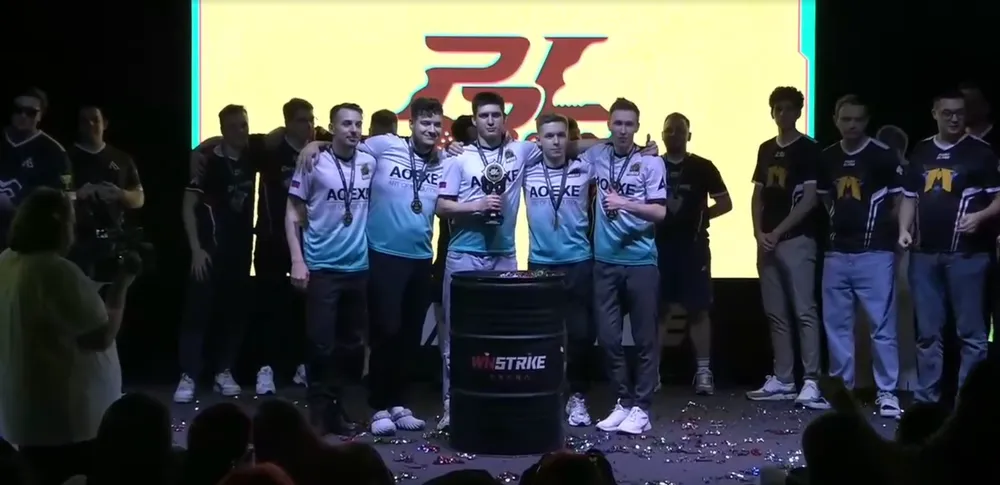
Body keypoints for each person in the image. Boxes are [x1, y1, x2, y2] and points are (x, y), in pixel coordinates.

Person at [296, 98, 448, 435]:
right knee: (385, 332)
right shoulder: (384, 145)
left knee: (410, 336)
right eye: (425, 123)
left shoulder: (443, 160)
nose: (431, 130)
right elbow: (345, 143)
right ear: (411, 124)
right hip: (382, 254)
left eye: (437, 125)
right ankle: (378, 404)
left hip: (420, 257)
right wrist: (315, 143)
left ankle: (399, 402)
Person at [0, 188, 136, 485]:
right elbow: (100, 336)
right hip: (67, 421)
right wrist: (122, 285)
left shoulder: (6, 261)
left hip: (28, 416)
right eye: (71, 221)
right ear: (59, 225)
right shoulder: (54, 270)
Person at [898, 90, 1000, 403]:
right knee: (928, 334)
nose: (954, 119)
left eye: (959, 113)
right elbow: (909, 197)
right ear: (935, 114)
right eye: (947, 113)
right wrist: (903, 228)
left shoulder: (980, 152)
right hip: (924, 255)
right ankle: (927, 402)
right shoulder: (922, 150)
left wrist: (980, 217)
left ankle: (969, 404)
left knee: (971, 335)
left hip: (968, 255)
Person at [286, 102, 375, 435]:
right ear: (332, 127)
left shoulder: (369, 161)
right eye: (346, 124)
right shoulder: (313, 161)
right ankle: (319, 414)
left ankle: (337, 411)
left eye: (358, 124)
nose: (353, 129)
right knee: (320, 345)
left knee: (350, 347)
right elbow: (293, 211)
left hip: (358, 267)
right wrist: (297, 259)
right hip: (322, 265)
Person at [582, 98, 667, 434]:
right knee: (608, 338)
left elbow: (659, 212)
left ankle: (642, 408)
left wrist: (624, 203)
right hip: (605, 261)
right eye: (617, 123)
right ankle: (623, 401)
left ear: (637, 127)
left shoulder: (651, 163)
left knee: (645, 340)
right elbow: (572, 146)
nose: (622, 130)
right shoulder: (598, 155)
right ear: (609, 125)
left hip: (641, 261)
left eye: (629, 124)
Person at [814, 95, 902, 417]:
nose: (852, 125)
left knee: (882, 327)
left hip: (875, 253)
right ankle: (843, 392)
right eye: (846, 119)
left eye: (858, 120)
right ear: (835, 120)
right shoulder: (827, 157)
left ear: (866, 122)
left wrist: (890, 236)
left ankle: (888, 392)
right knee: (837, 327)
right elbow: (826, 200)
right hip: (836, 254)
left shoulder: (882, 155)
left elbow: (898, 201)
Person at [175, 104, 257, 403]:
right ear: (222, 129)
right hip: (209, 251)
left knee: (233, 314)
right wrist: (196, 249)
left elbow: (279, 136)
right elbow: (188, 207)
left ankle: (224, 371)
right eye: (234, 126)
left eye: (244, 125)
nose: (241, 131)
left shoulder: (253, 155)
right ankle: (189, 375)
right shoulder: (207, 162)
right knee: (197, 315)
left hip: (240, 252)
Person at [747, 86, 823, 406]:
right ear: (772, 112)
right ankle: (783, 378)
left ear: (799, 112)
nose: (783, 114)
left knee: (804, 311)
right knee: (776, 313)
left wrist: (777, 232)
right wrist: (758, 233)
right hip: (767, 244)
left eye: (789, 108)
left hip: (797, 241)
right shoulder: (765, 148)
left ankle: (812, 380)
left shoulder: (809, 149)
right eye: (778, 109)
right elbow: (757, 195)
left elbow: (809, 200)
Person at [523, 114, 597, 426]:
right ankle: (545, 394)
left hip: (578, 261)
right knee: (542, 335)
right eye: (549, 136)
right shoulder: (525, 170)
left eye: (561, 135)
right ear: (538, 140)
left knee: (580, 334)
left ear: (569, 138)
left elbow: (607, 148)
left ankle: (577, 396)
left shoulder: (585, 167)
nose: (555, 141)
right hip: (541, 263)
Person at [655, 112, 731, 396]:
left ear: (689, 135)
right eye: (669, 130)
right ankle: (653, 372)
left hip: (693, 248)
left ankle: (703, 371)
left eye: (679, 130)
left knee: (698, 310)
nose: (673, 134)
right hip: (658, 248)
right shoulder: (653, 165)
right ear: (662, 135)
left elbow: (725, 203)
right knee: (657, 310)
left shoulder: (702, 167)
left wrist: (702, 217)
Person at [250, 98, 315, 395]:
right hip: (271, 240)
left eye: (311, 119)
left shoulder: (319, 150)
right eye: (302, 120)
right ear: (287, 122)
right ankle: (266, 368)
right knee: (270, 306)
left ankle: (303, 365)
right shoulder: (269, 150)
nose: (308, 125)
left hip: (308, 242)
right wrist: (198, 153)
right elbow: (226, 142)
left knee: (305, 309)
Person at [67, 106, 144, 278]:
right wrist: (78, 194)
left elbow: (139, 198)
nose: (90, 124)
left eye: (95, 120)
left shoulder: (122, 159)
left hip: (114, 242)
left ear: (105, 124)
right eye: (84, 121)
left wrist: (120, 194)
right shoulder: (66, 157)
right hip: (77, 243)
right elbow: (55, 198)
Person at [0, 88, 74, 250]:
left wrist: (16, 209)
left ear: (40, 115)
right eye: (18, 110)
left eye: (31, 112)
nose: (23, 116)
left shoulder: (55, 152)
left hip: (27, 241)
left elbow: (64, 198)